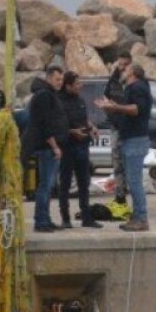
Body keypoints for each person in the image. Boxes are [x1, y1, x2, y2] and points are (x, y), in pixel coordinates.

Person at [96, 63, 152, 232]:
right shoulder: (133, 88)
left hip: (135, 140)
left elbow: (136, 109)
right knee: (132, 180)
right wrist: (113, 107)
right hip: (131, 138)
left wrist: (115, 107)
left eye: (126, 70)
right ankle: (137, 217)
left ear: (133, 73)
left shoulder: (137, 87)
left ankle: (141, 218)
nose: (123, 71)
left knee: (134, 182)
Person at [22, 66, 67, 232]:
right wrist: (55, 146)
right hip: (46, 147)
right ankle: (41, 221)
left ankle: (45, 218)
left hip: (48, 146)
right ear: (48, 78)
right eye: (57, 79)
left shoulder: (48, 94)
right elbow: (45, 124)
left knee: (48, 186)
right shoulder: (44, 95)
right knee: (45, 186)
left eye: (61, 80)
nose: (60, 83)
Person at [58, 71, 102, 229]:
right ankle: (65, 218)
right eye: (77, 84)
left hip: (82, 146)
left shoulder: (80, 100)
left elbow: (84, 119)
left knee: (84, 182)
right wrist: (72, 131)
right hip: (67, 147)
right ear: (68, 85)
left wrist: (92, 127)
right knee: (65, 183)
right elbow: (58, 125)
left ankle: (86, 217)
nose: (80, 86)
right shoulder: (59, 101)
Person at [104, 51, 132, 205]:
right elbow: (106, 97)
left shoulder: (135, 81)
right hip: (115, 126)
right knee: (116, 162)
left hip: (130, 128)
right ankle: (120, 195)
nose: (122, 68)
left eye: (125, 65)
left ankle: (131, 194)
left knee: (129, 163)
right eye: (120, 64)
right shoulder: (113, 80)